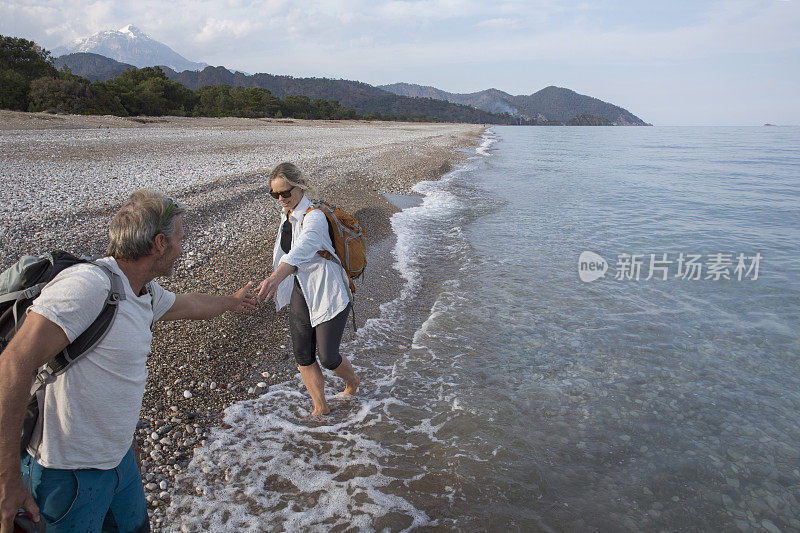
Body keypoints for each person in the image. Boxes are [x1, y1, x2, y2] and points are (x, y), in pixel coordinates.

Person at [0, 190, 256, 532]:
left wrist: (231, 301)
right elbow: (14, 362)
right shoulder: (88, 286)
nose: (184, 247)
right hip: (68, 474)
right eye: (181, 238)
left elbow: (190, 304)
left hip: (120, 463)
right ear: (160, 244)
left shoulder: (143, 291)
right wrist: (7, 479)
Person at [257, 162, 360, 417]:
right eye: (275, 194)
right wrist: (279, 278)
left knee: (328, 357)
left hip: (329, 291)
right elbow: (287, 252)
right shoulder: (288, 214)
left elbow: (300, 251)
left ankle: (353, 383)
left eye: (285, 193)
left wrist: (274, 279)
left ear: (300, 186)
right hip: (302, 289)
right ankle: (320, 408)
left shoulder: (314, 217)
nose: (280, 199)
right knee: (303, 354)